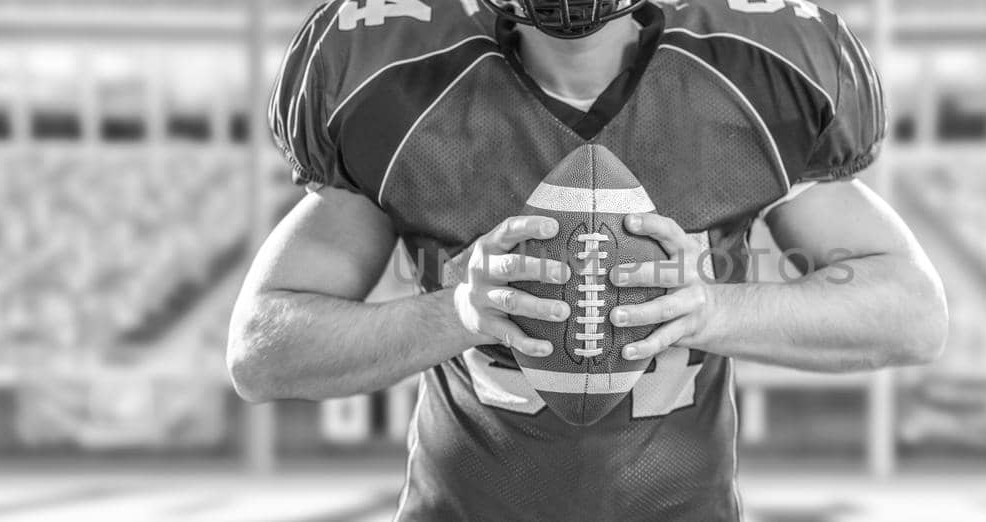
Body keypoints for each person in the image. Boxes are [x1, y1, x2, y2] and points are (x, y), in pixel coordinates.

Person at [228, 0, 947, 519]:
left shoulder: (750, 76)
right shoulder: (401, 85)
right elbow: (261, 349)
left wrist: (712, 308)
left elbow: (911, 313)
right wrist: (456, 313)